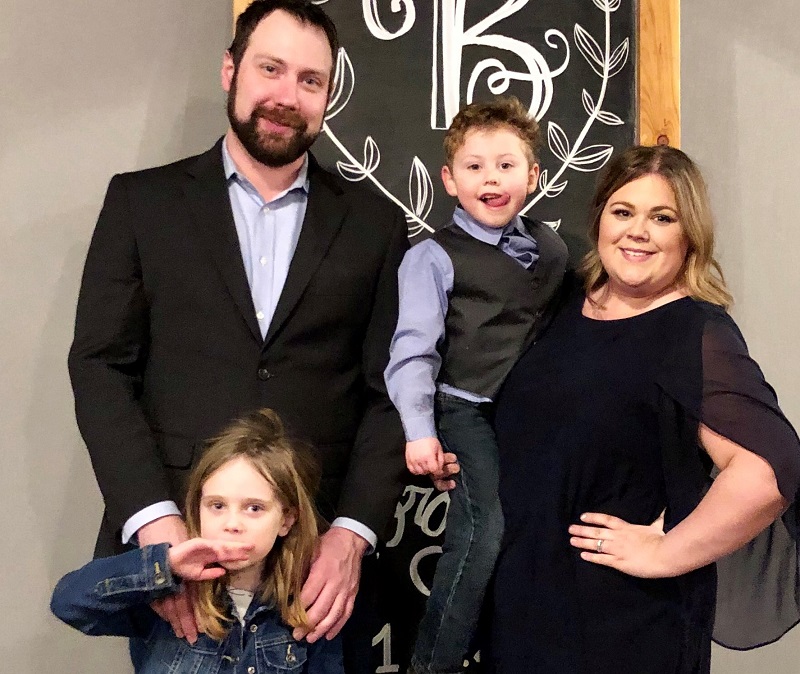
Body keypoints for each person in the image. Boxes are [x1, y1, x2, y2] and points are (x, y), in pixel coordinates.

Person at [67, 0, 407, 667]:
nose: (287, 96)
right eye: (270, 69)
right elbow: (99, 367)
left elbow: (393, 390)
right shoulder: (142, 203)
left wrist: (352, 534)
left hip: (314, 576)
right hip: (176, 572)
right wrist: (155, 527)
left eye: (310, 80)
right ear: (231, 71)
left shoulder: (376, 224)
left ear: (329, 96)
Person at [487, 144, 800, 673]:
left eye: (662, 217)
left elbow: (768, 470)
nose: (638, 232)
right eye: (623, 211)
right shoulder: (563, 306)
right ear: (599, 220)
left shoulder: (695, 333)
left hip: (624, 628)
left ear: (689, 234)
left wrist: (666, 552)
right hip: (523, 610)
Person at [384, 97, 568, 674]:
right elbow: (412, 350)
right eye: (474, 166)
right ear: (449, 180)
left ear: (533, 176)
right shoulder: (432, 257)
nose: (491, 178)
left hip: (525, 415)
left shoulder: (553, 249)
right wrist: (419, 431)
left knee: (535, 531)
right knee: (483, 529)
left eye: (506, 165)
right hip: (462, 407)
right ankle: (431, 665)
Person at [52, 409, 343, 674]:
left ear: (286, 519)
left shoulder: (307, 604)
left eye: (254, 508)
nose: (232, 524)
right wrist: (164, 566)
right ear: (198, 508)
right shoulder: (169, 593)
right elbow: (69, 604)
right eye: (217, 506)